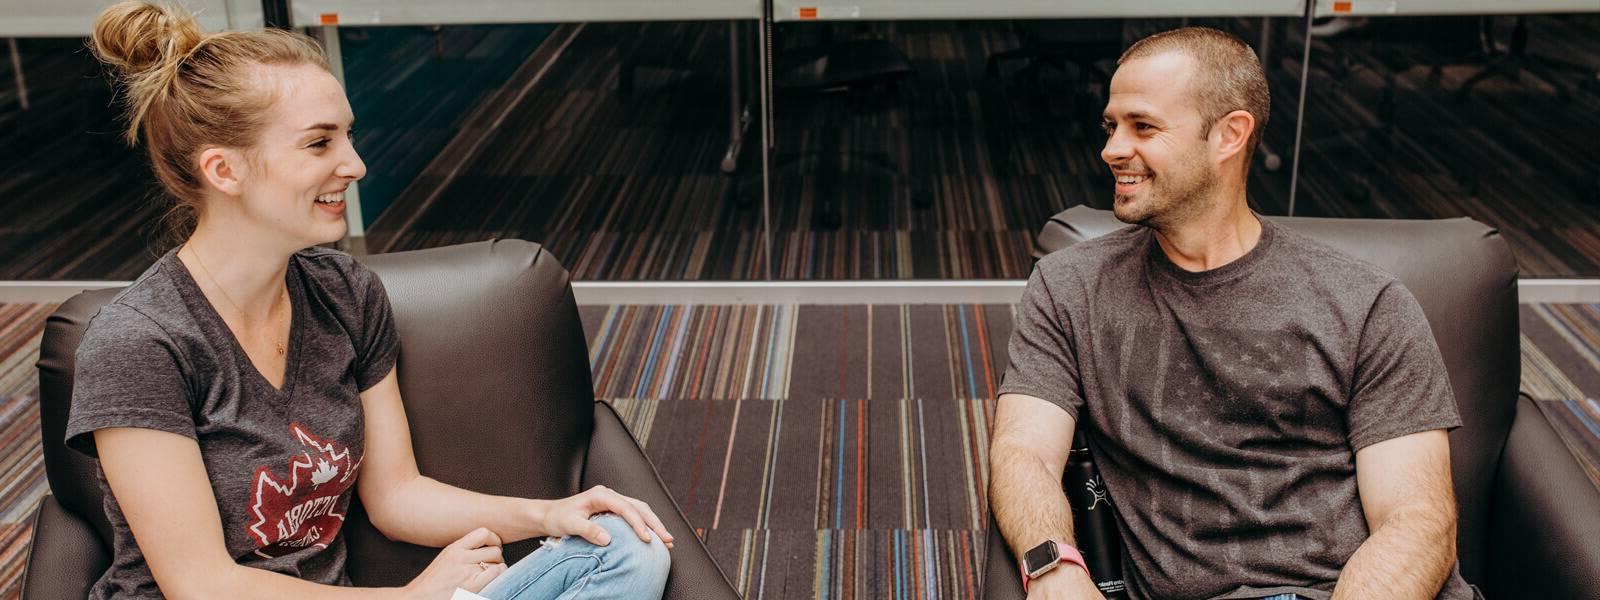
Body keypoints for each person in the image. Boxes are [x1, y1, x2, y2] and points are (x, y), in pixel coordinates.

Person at [67, 2, 673, 598]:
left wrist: (551, 515)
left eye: (347, 136)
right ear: (225, 170)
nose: (353, 164)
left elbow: (397, 496)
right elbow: (200, 584)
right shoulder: (139, 344)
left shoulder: (343, 293)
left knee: (624, 549)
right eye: (318, 144)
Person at [988, 27, 1478, 600]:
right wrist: (1054, 568)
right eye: (1111, 126)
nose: (1112, 149)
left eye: (1142, 126)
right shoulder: (1070, 286)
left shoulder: (1365, 302)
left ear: (1230, 135)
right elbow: (1023, 452)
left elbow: (1418, 521)